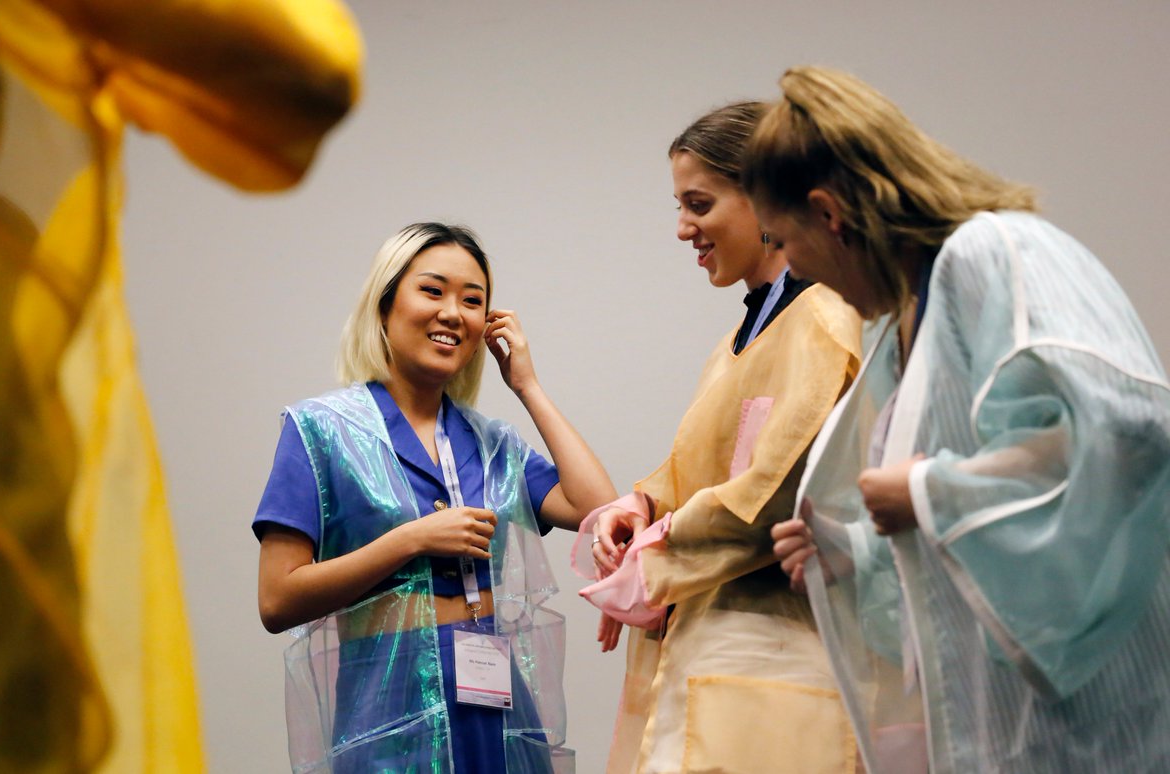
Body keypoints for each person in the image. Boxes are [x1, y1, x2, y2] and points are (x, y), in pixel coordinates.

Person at [749, 66, 1170, 773]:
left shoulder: (996, 252)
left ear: (829, 212)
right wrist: (859, 553)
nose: (794, 269)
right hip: (1001, 734)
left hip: (1097, 734)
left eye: (783, 241)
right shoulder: (902, 331)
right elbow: (959, 557)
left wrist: (925, 492)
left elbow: (1128, 432)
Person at [254, 222, 615, 772]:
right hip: (389, 704)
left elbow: (600, 511)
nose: (453, 313)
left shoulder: (493, 445)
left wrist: (528, 386)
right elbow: (277, 601)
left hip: (495, 698)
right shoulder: (319, 429)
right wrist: (410, 541)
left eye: (473, 301)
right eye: (432, 290)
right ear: (384, 304)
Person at [574, 103, 864, 773]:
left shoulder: (822, 318)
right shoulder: (738, 341)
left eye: (698, 203)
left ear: (763, 195)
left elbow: (775, 492)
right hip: (710, 653)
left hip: (772, 659)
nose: (683, 229)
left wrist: (656, 550)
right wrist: (640, 506)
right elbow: (698, 470)